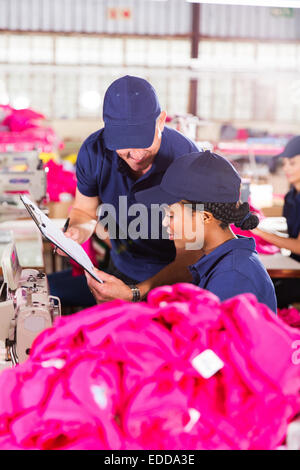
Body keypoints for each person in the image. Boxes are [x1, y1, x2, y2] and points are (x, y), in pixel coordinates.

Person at [48, 75, 201, 307]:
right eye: (124, 144)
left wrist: (136, 293)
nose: (136, 154)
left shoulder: (186, 159)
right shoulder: (95, 152)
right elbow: (84, 211)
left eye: (143, 141)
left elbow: (192, 254)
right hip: (121, 269)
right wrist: (76, 232)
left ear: (161, 121)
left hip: (174, 278)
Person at [86, 151, 276, 312]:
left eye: (170, 215)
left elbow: (212, 351)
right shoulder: (217, 261)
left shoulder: (233, 277)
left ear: (204, 217)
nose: (164, 222)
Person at [251, 136, 300, 308]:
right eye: (285, 163)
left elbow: (298, 246)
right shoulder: (291, 197)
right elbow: (291, 236)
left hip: (297, 274)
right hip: (293, 267)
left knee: (260, 299)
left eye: (292, 163)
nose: (286, 168)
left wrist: (257, 230)